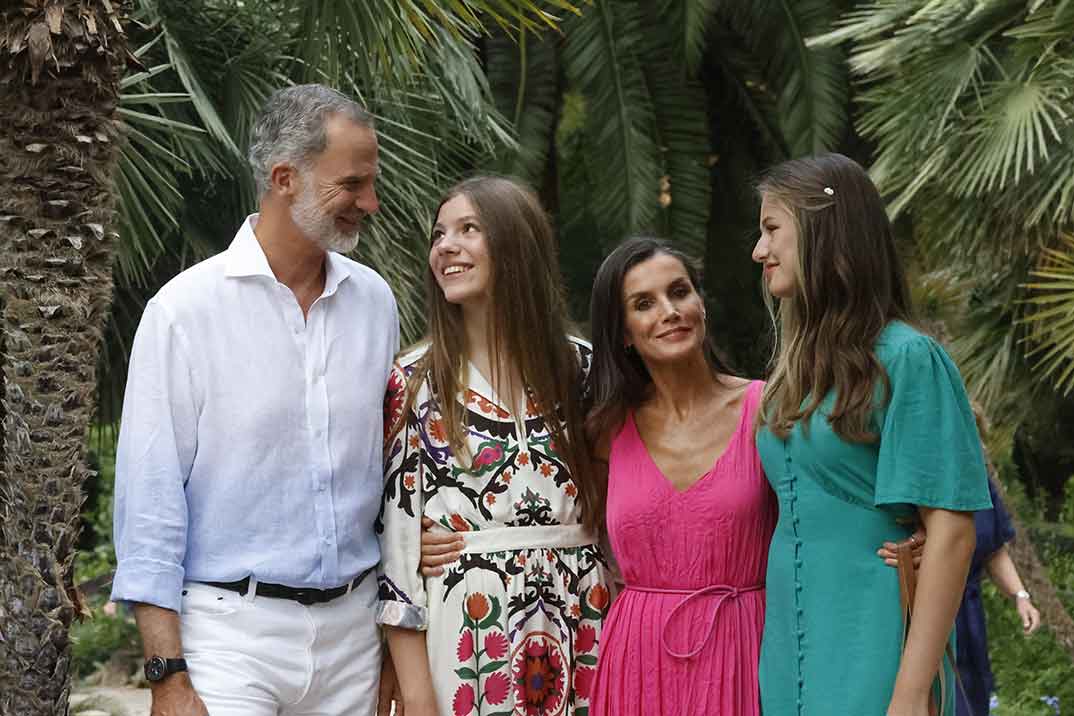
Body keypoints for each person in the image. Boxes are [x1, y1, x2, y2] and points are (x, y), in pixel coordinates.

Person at [111, 84, 399, 716]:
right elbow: (151, 501)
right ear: (284, 177)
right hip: (229, 638)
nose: (369, 203)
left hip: (355, 636)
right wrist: (168, 675)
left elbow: (396, 472)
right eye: (352, 184)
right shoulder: (184, 313)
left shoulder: (376, 304)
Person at [751, 152, 992, 716]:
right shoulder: (794, 369)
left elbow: (953, 535)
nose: (759, 251)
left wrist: (910, 693)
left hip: (875, 632)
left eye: (771, 229)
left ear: (821, 230)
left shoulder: (908, 359)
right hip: (789, 644)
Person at [376, 175, 612, 716]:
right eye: (438, 234)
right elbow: (399, 556)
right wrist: (416, 698)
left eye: (468, 229)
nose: (446, 247)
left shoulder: (584, 369)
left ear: (514, 244)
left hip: (587, 622)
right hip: (470, 639)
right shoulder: (414, 383)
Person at [955, 408, 1041, 716]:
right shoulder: (927, 485)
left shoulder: (982, 485)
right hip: (932, 614)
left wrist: (1021, 597)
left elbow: (993, 549)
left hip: (970, 616)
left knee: (975, 702)